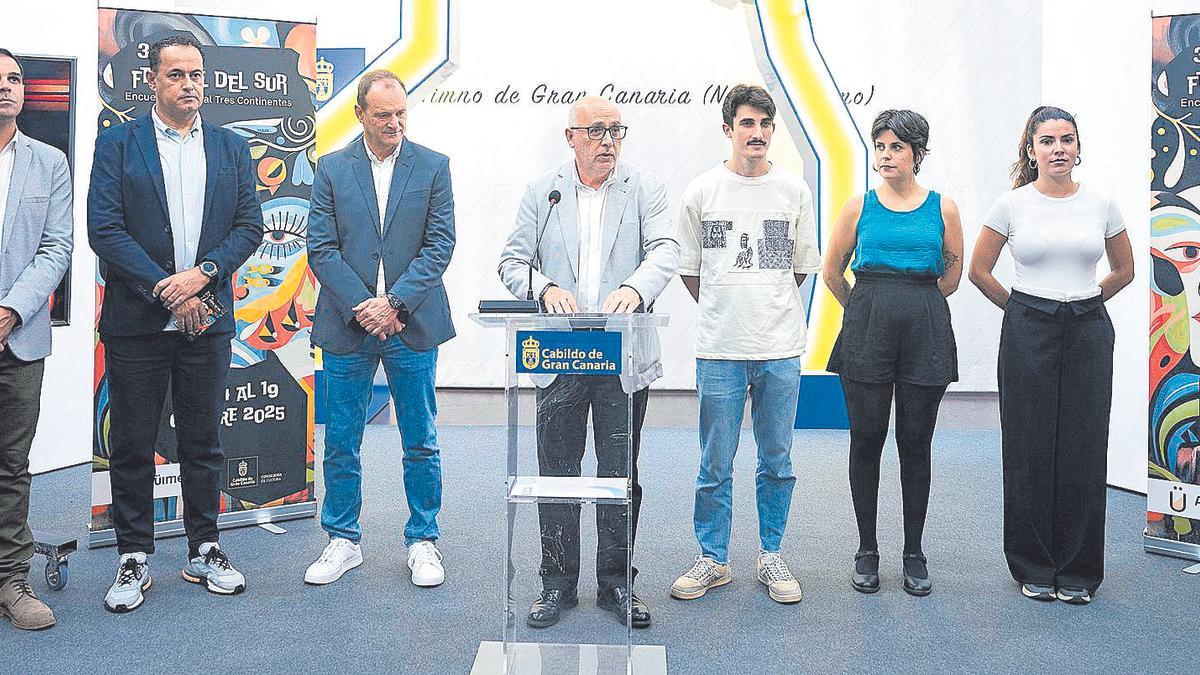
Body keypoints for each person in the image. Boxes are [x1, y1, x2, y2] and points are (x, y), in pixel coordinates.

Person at [88, 34, 262, 612]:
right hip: (138, 321)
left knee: (203, 441)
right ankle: (133, 556)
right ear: (153, 82)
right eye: (176, 74)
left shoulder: (231, 148)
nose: (189, 84)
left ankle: (204, 547)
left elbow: (248, 227)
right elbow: (104, 229)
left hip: (206, 320)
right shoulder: (117, 144)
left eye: (196, 74)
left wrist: (203, 274)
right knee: (134, 442)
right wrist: (169, 290)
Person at [498, 96, 679, 629]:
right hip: (561, 353)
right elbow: (512, 261)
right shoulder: (543, 192)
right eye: (596, 131)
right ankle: (555, 584)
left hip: (622, 352)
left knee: (620, 472)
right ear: (571, 136)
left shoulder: (646, 188)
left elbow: (665, 250)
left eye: (617, 131)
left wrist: (634, 287)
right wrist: (545, 285)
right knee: (556, 472)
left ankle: (617, 583)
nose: (608, 142)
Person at [968, 105, 1133, 605]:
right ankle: (1034, 564)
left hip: (1086, 327)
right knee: (1029, 446)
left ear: (1079, 147)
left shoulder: (1102, 203)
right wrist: (1024, 310)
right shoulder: (1011, 204)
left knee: (1083, 447)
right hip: (1028, 329)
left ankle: (1080, 569)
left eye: (1067, 139)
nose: (1058, 148)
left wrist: (1081, 306)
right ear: (1031, 148)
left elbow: (1122, 270)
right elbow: (980, 270)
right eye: (1047, 140)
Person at [304, 70, 455, 588]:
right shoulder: (331, 169)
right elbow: (320, 248)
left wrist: (393, 304)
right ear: (360, 114)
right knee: (342, 439)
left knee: (421, 438)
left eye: (401, 114)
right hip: (349, 325)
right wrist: (364, 306)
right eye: (383, 114)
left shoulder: (434, 167)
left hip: (411, 322)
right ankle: (342, 540)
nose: (394, 123)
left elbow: (440, 246)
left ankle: (423, 540)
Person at [670, 84, 820, 605]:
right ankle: (713, 558)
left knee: (776, 460)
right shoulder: (702, 191)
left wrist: (764, 298)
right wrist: (727, 302)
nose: (757, 134)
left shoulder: (794, 191)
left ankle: (771, 554)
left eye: (765, 124)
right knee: (715, 462)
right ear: (729, 128)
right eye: (747, 124)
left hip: (780, 347)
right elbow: (693, 272)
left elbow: (801, 267)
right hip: (719, 349)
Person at [822, 109, 963, 597]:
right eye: (880, 146)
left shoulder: (944, 208)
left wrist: (910, 303)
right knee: (866, 439)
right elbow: (833, 272)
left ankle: (914, 552)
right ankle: (866, 548)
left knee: (915, 442)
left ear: (918, 153)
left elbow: (951, 276)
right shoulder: (858, 206)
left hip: (925, 326)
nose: (886, 155)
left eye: (897, 147)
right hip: (867, 326)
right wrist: (867, 307)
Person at [0, 48, 73, 631]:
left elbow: (57, 248)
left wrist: (10, 310)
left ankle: (10, 577)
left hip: (18, 337)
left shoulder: (49, 162)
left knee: (10, 464)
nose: (7, 88)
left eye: (15, 78)